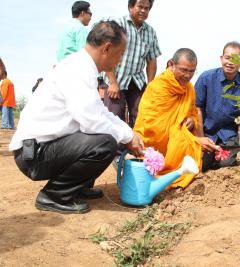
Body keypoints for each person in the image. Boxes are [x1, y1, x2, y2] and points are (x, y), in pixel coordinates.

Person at [9, 20, 144, 214]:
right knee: (104, 143)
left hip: (46, 147)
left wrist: (129, 133)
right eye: (120, 53)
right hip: (34, 154)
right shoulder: (77, 69)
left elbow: (101, 112)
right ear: (107, 48)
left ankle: (77, 187)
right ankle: (54, 194)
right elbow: (91, 121)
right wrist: (126, 138)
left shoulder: (83, 67)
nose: (120, 60)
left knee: (106, 137)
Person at [134, 48, 217, 188]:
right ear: (171, 64)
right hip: (153, 148)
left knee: (209, 157)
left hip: (178, 143)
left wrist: (191, 119)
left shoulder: (189, 88)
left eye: (192, 71)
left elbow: (191, 113)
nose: (187, 75)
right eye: (184, 70)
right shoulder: (158, 87)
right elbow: (155, 129)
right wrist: (194, 140)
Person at [195, 41, 240, 171]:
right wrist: (201, 137)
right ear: (221, 59)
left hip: (230, 134)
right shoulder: (206, 77)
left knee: (225, 164)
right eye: (227, 58)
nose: (230, 62)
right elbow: (197, 108)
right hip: (206, 132)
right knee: (202, 164)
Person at [104, 0, 161, 127]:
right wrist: (112, 82)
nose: (143, 11)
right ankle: (115, 147)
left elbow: (152, 60)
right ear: (130, 7)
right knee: (114, 116)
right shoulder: (118, 25)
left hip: (137, 81)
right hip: (117, 79)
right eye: (140, 6)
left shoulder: (151, 32)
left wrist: (150, 86)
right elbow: (106, 53)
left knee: (141, 116)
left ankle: (136, 146)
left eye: (146, 8)